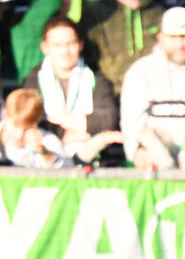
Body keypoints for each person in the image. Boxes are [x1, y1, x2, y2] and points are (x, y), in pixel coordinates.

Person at [119, 5, 185, 169]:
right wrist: (137, 153)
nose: (180, 44)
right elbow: (132, 126)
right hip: (159, 165)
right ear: (160, 38)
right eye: (173, 37)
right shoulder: (140, 72)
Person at [22, 15, 122, 163]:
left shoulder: (97, 79)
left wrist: (59, 122)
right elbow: (33, 122)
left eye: (70, 43)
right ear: (45, 47)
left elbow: (108, 120)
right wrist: (67, 133)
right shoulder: (33, 81)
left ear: (80, 44)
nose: (65, 51)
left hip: (93, 160)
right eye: (57, 45)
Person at [78, 0, 164, 95]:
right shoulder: (96, 15)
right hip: (111, 98)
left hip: (157, 94)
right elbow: (86, 62)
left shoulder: (160, 13)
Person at [0, 87, 70, 167]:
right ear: (4, 115)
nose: (20, 134)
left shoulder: (48, 142)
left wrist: (44, 152)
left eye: (27, 128)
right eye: (16, 126)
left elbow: (69, 173)